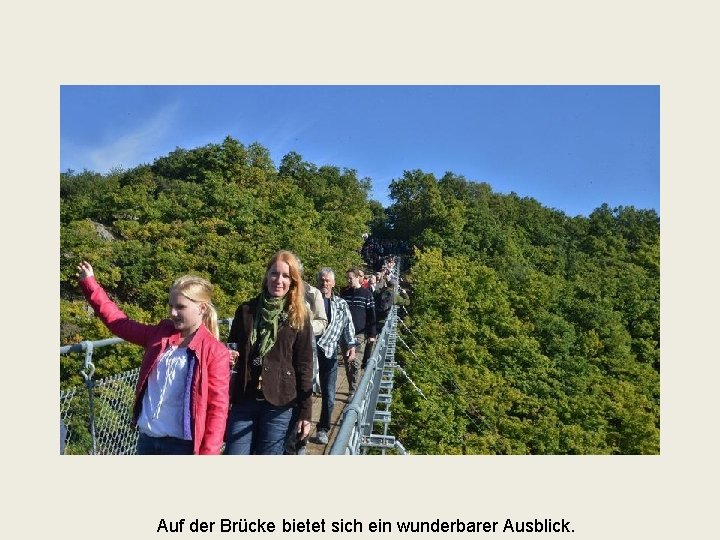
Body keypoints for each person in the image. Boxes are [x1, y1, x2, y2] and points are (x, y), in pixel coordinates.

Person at [76, 261, 230, 455]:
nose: (173, 313)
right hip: (147, 440)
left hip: (182, 447)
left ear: (202, 308)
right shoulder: (160, 334)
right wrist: (91, 285)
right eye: (171, 305)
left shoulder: (215, 351)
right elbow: (120, 324)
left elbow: (217, 409)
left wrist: (208, 454)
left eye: (180, 307)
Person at [224, 250, 314, 455]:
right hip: (244, 397)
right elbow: (232, 348)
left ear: (293, 281)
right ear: (267, 275)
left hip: (280, 401)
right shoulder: (246, 311)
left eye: (285, 276)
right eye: (274, 273)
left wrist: (305, 413)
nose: (278, 280)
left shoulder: (298, 316)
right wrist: (228, 357)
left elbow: (305, 365)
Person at [314, 267, 357, 444]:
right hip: (308, 352)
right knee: (303, 392)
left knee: (329, 395)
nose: (324, 283)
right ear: (318, 282)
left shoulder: (341, 303)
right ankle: (297, 432)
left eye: (327, 280)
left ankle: (323, 428)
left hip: (330, 352)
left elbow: (348, 325)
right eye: (322, 280)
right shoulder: (308, 301)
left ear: (333, 283)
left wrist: (351, 345)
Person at [340, 267, 376, 397]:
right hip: (345, 333)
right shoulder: (344, 294)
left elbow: (372, 315)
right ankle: (352, 387)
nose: (348, 280)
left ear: (357, 277)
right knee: (347, 363)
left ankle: (354, 392)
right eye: (347, 278)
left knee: (356, 362)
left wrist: (372, 334)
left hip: (360, 333)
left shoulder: (366, 294)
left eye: (350, 278)